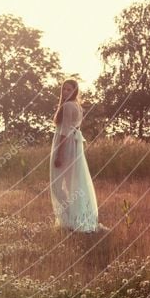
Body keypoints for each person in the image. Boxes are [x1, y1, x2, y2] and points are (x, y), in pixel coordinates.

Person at [50, 79, 107, 232]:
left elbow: (64, 133)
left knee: (57, 185)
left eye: (69, 90)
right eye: (64, 89)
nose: (66, 92)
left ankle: (70, 219)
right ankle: (76, 218)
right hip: (74, 147)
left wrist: (59, 155)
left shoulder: (68, 106)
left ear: (75, 91)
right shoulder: (77, 106)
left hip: (66, 147)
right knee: (72, 183)